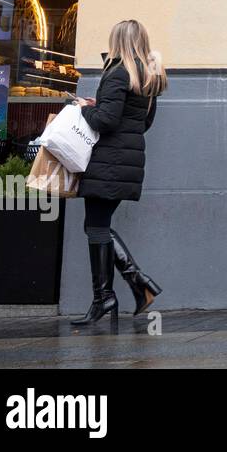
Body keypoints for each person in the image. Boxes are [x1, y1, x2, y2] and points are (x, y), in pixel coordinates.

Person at [71, 20, 167, 326]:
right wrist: (103, 108)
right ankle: (128, 289)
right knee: (98, 226)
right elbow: (142, 122)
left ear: (117, 42)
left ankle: (117, 293)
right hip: (125, 161)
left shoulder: (118, 72)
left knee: (96, 226)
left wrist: (83, 107)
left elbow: (106, 121)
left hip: (109, 162)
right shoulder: (146, 75)